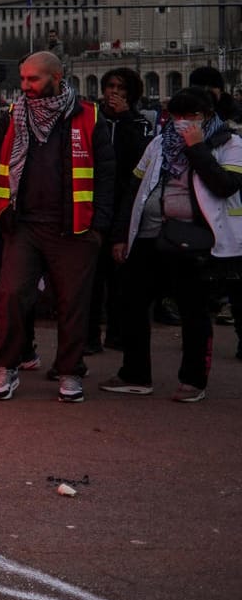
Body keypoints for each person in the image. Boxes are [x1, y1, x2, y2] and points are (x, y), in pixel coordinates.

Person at [0, 53, 116, 403]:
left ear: (57, 77)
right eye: (23, 78)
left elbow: (107, 176)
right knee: (12, 296)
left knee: (73, 303)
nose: (25, 86)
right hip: (24, 225)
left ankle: (70, 372)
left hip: (75, 229)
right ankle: (7, 366)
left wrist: (99, 228)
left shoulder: (89, 117)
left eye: (33, 79)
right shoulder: (14, 115)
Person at [101, 89, 239, 402]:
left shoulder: (229, 145)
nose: (180, 123)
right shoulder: (158, 143)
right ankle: (135, 374)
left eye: (189, 117)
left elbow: (225, 185)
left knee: (193, 310)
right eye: (175, 116)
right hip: (149, 235)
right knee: (132, 304)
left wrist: (197, 149)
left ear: (205, 116)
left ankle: (193, 380)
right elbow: (135, 189)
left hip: (194, 240)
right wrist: (122, 235)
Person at [89, 67, 152, 353]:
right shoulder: (92, 120)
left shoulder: (140, 122)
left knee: (121, 278)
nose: (113, 91)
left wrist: (125, 117)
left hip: (124, 207)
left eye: (120, 87)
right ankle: (89, 336)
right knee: (91, 278)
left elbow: (140, 160)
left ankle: (116, 333)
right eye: (110, 86)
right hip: (94, 206)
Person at [187, 66, 242, 358]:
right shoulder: (185, 125)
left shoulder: (232, 125)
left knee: (237, 284)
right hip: (204, 219)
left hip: (234, 216)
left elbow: (227, 182)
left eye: (210, 87)